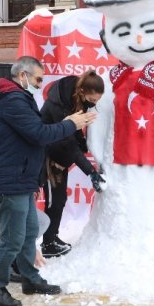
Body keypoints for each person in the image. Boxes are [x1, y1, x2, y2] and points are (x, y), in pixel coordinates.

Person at [0, 56, 91, 306]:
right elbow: (39, 134)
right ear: (22, 75)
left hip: (21, 180)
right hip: (11, 181)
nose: (40, 84)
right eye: (38, 79)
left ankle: (30, 279)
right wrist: (70, 124)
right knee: (12, 239)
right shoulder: (12, 101)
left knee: (30, 231)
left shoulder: (19, 98)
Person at [39, 70, 106, 257]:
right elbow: (67, 142)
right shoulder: (58, 104)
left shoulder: (75, 100)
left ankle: (52, 237)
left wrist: (84, 145)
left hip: (60, 154)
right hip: (48, 155)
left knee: (60, 199)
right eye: (92, 100)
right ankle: (48, 243)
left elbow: (74, 132)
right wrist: (91, 172)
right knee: (54, 200)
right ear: (83, 91)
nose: (93, 105)